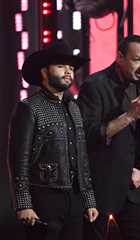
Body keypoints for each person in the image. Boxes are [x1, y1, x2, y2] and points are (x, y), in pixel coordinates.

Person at [7, 40, 98, 240]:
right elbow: (18, 160)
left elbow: (81, 157)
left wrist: (88, 200)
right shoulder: (30, 107)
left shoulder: (74, 107)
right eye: (61, 66)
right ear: (44, 72)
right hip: (43, 198)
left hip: (74, 200)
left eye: (71, 68)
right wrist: (24, 204)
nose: (68, 72)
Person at [77, 35, 140, 240]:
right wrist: (129, 116)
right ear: (120, 57)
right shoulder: (94, 85)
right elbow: (87, 135)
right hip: (101, 188)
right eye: (137, 60)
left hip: (134, 188)